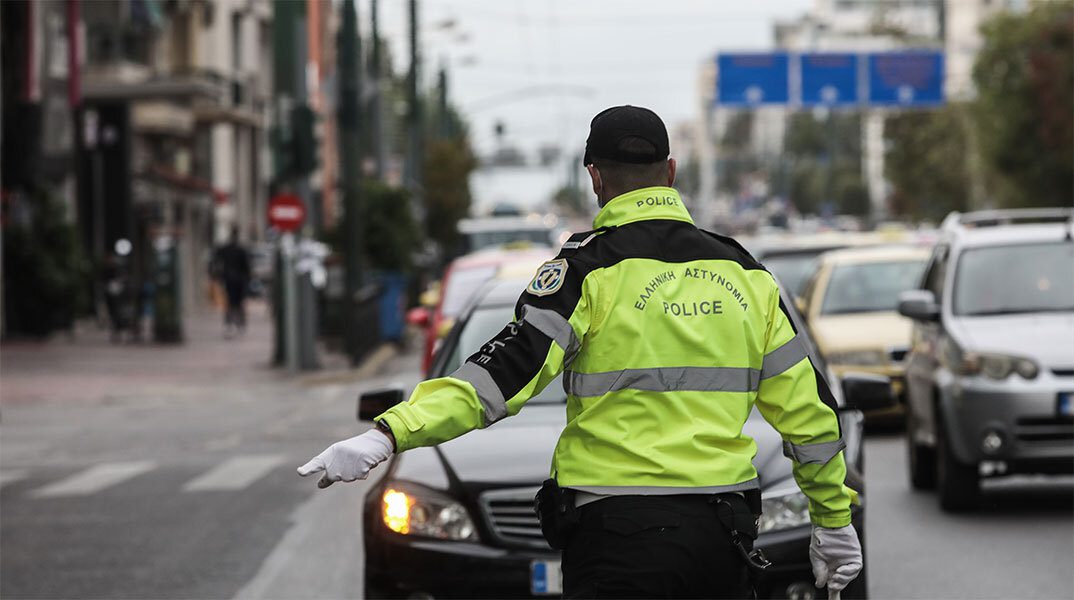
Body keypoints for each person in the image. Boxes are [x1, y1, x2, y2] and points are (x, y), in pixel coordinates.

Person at [298, 106, 863, 599]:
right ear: (670, 172)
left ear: (595, 178)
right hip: (721, 540)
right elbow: (810, 414)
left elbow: (498, 378)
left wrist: (388, 433)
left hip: (616, 535)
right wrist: (833, 519)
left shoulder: (584, 272)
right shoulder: (745, 273)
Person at [211, 226, 251, 338]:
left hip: (229, 280)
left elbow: (215, 261)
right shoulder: (240, 249)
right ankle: (238, 324)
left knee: (230, 303)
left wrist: (217, 275)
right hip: (238, 280)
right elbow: (247, 268)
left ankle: (231, 324)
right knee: (237, 303)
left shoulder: (226, 249)